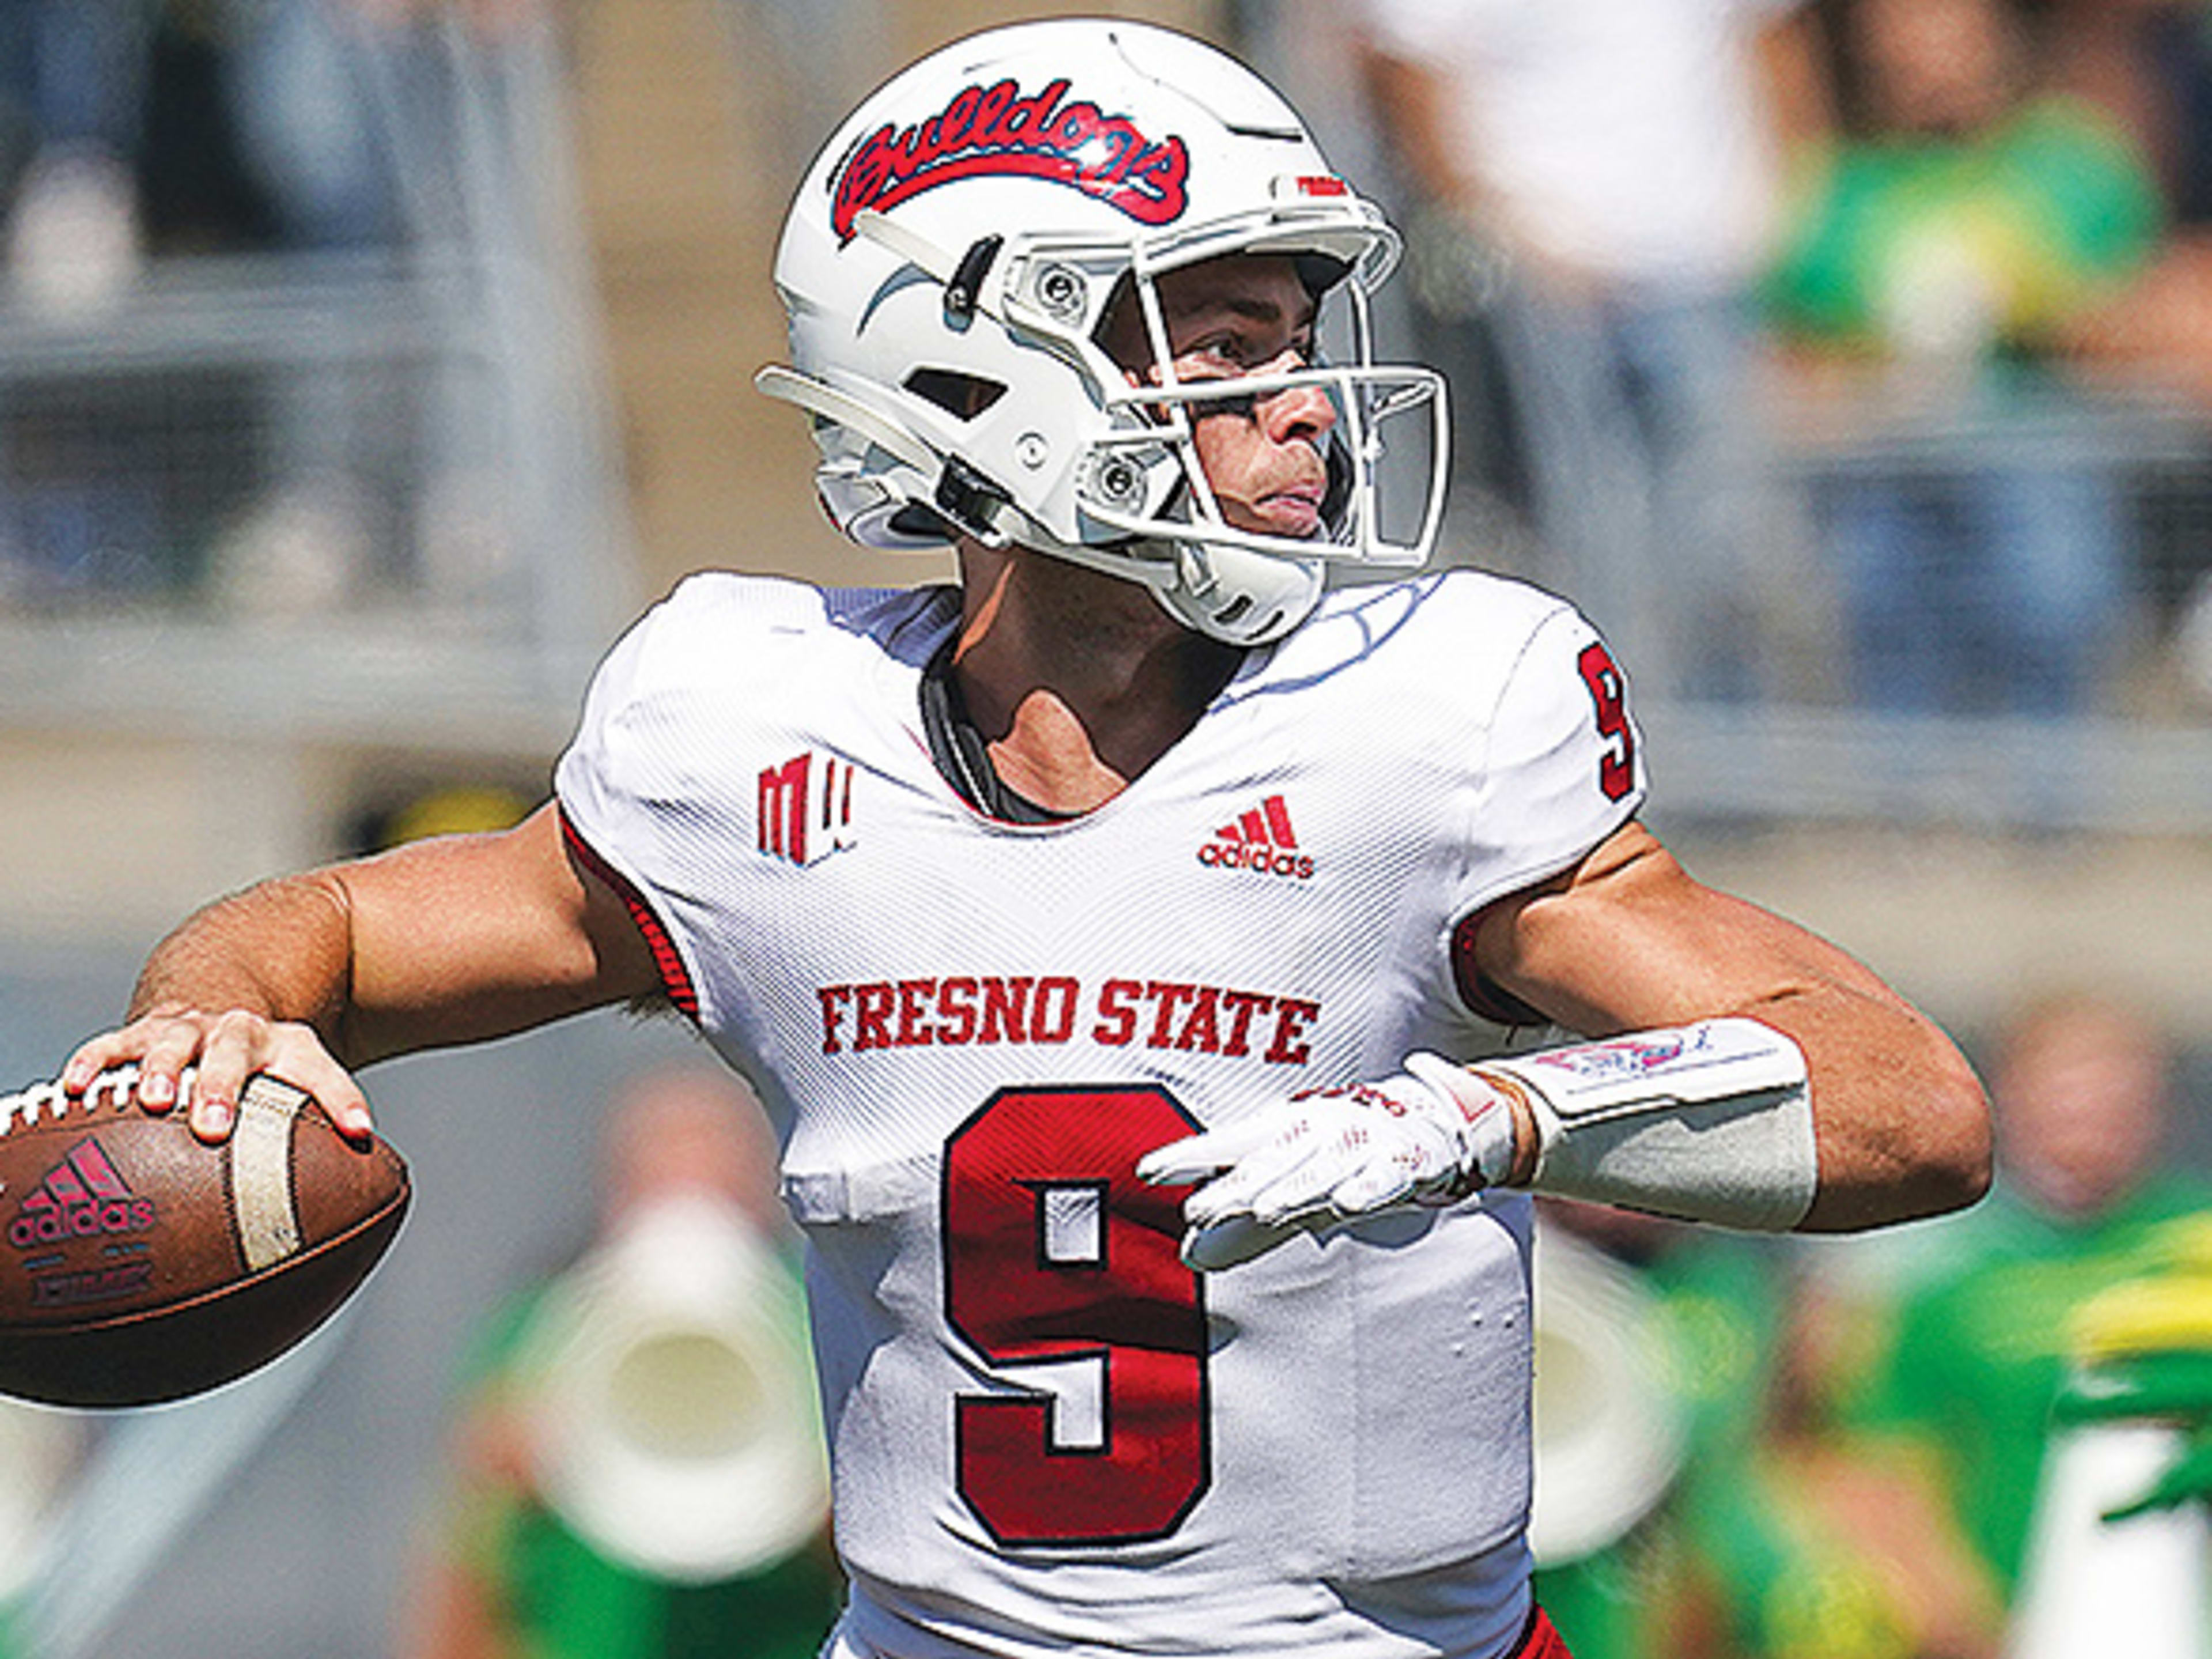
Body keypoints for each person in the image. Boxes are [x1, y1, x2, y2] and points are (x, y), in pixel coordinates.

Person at [57, 20, 1990, 1659]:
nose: (1305, 406)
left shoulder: (1431, 719)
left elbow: (1911, 1108)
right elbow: (315, 933)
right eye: (1224, 344)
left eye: (1295, 341)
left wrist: (1494, 1120)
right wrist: (205, 1022)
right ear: (980, 373)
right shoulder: (750, 736)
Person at [402, 1063, 843, 1659]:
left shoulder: (829, 1318)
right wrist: (493, 1492)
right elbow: (460, 1580)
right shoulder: (538, 1332)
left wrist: (834, 1509)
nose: (689, 1191)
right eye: (664, 1166)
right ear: (616, 1192)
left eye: (714, 1168)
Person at [1844, 990, 2208, 1624]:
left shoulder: (2198, 1242)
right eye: (2068, 1096)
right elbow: (1881, 1465)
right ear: (2006, 1099)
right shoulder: (1944, 1276)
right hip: (2011, 1619)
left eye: (2113, 1098)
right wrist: (1948, 1610)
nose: (2090, 1120)